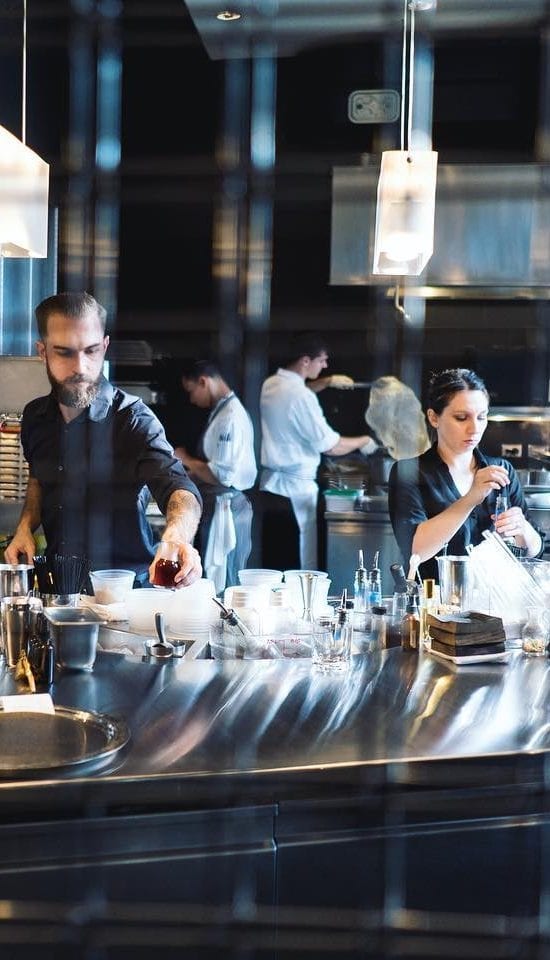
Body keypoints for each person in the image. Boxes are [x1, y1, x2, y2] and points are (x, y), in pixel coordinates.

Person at [4, 292, 203, 588]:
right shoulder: (36, 416)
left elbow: (180, 488)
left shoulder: (133, 419)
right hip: (61, 588)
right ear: (43, 351)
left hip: (124, 592)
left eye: (91, 351)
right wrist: (25, 527)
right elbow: (38, 479)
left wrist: (177, 536)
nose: (81, 367)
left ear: (105, 347)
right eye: (64, 352)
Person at [389, 367, 543, 580]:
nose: (474, 428)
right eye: (462, 418)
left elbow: (535, 551)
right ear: (434, 418)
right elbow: (416, 551)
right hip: (434, 597)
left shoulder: (502, 470)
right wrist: (471, 497)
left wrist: (523, 529)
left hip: (493, 597)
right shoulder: (409, 472)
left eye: (482, 417)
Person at [259, 333, 377, 570]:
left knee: (274, 562)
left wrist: (327, 381)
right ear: (305, 361)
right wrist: (363, 441)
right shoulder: (301, 396)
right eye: (321, 360)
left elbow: (295, 395)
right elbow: (330, 446)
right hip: (296, 491)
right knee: (299, 566)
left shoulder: (271, 384)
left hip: (269, 488)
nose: (325, 365)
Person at [174, 359, 257, 592]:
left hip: (229, 508)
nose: (192, 399)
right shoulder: (222, 411)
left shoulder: (230, 417)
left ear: (203, 382)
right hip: (220, 505)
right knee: (218, 579)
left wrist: (185, 458)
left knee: (227, 583)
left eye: (191, 391)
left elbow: (222, 475)